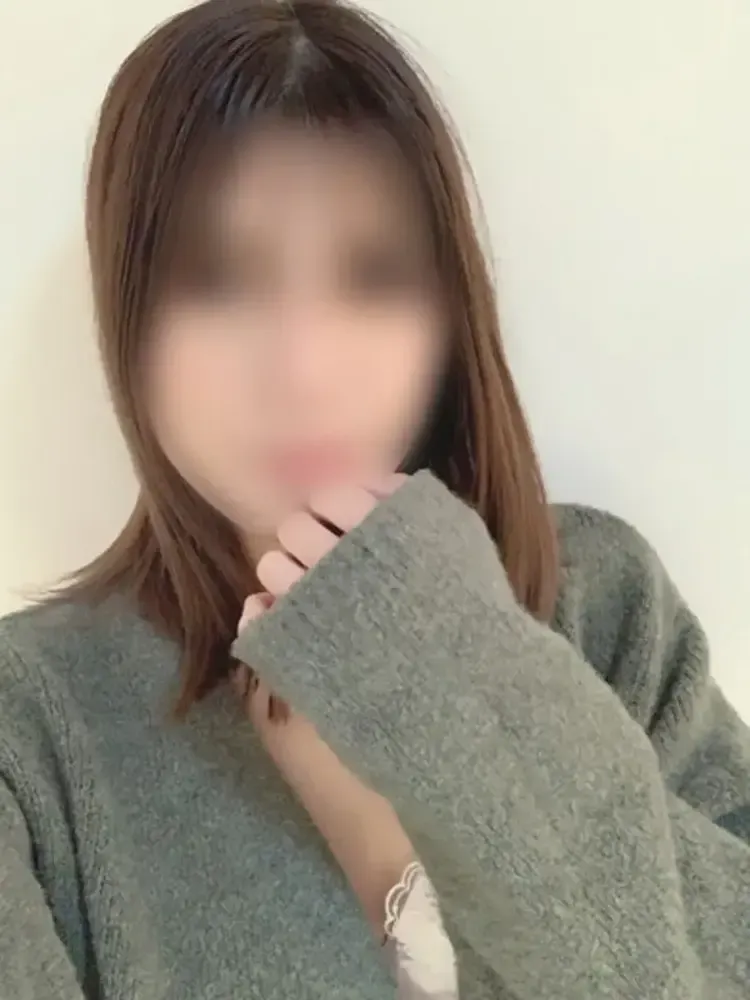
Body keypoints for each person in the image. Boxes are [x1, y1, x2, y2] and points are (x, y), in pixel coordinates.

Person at [0, 0, 747, 997]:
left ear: (450, 312)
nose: (303, 368)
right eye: (217, 281)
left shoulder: (606, 606)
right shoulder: (28, 729)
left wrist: (453, 694)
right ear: (128, 317)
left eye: (373, 277)